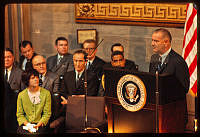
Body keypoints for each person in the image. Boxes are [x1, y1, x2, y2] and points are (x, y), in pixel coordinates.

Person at [149, 28, 190, 130]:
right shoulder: (154, 58)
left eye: (156, 41)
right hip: (156, 112)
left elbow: (184, 88)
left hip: (174, 115)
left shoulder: (178, 61)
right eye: (152, 40)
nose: (152, 44)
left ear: (166, 42)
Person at [32, 55, 65, 133]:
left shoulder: (54, 77)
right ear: (33, 66)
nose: (41, 66)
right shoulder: (31, 78)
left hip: (50, 111)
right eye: (38, 64)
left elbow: (55, 99)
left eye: (43, 63)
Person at [16, 69, 51, 134]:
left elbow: (47, 113)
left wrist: (39, 124)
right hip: (26, 124)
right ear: (27, 80)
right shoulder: (21, 95)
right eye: (33, 78)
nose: (36, 79)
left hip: (40, 124)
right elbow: (20, 114)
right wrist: (28, 125)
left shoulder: (46, 93)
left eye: (37, 77)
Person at [4, 48, 25, 133]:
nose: (6, 59)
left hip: (14, 110)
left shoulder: (20, 73)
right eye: (4, 57)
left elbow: (24, 92)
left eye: (9, 57)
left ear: (13, 58)